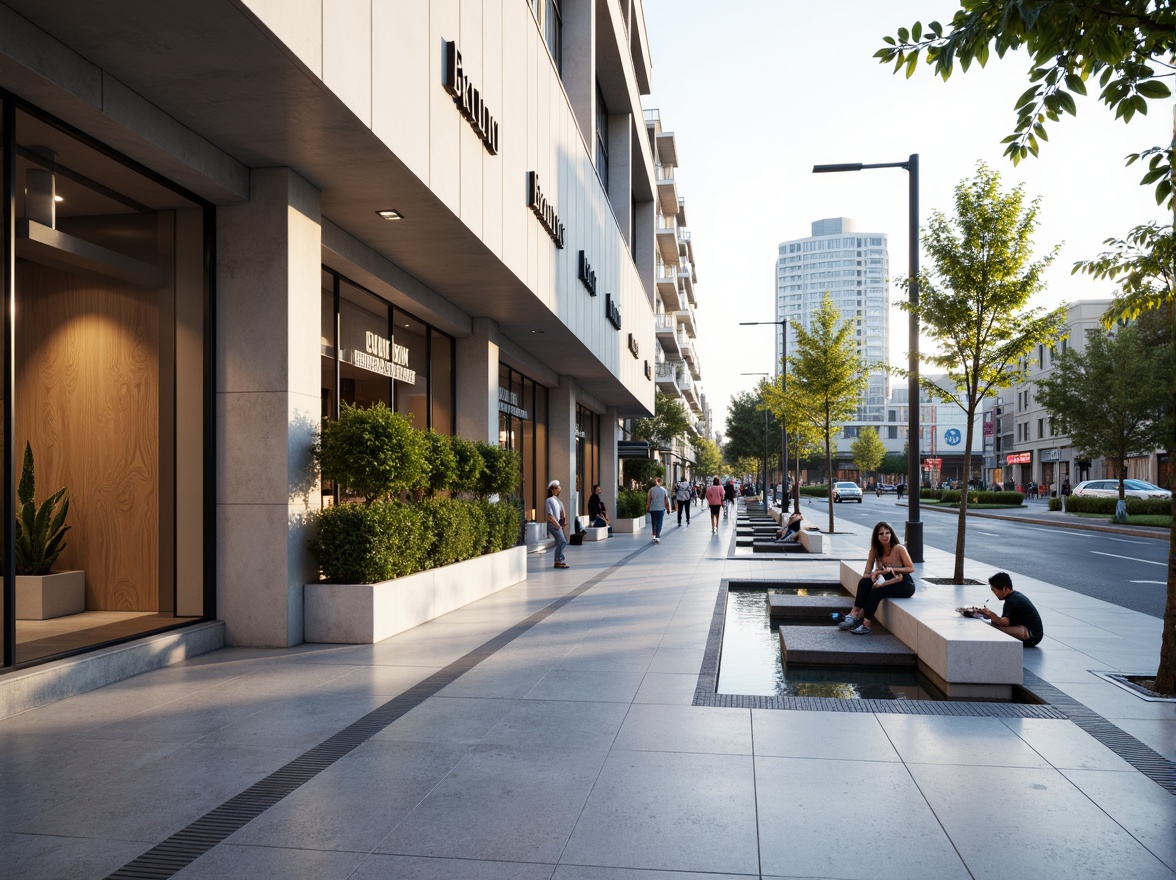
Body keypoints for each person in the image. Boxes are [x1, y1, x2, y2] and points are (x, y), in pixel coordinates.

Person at [838, 521, 916, 634]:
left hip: (904, 583)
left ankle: (866, 625)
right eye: (881, 534)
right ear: (876, 536)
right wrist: (873, 576)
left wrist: (892, 569)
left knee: (876, 592)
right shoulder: (875, 550)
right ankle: (854, 614)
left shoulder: (899, 548)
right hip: (887, 579)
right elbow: (867, 572)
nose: (885, 536)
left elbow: (911, 568)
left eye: (887, 532)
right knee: (864, 582)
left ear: (891, 534)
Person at [979, 572, 1044, 647]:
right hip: (1036, 634)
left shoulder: (1011, 601)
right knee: (994, 624)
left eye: (995, 590)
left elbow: (1004, 623)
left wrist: (991, 614)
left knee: (994, 628)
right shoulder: (1015, 595)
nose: (995, 594)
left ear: (1005, 589)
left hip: (1032, 635)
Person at [545, 480, 569, 569]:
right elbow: (550, 516)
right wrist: (557, 525)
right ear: (552, 490)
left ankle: (558, 561)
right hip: (553, 525)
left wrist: (563, 523)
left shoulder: (557, 501)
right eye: (557, 488)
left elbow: (562, 513)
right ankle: (558, 560)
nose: (559, 489)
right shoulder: (549, 500)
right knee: (562, 542)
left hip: (558, 524)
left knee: (561, 542)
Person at [646, 475, 670, 544]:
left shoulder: (651, 490)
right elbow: (666, 501)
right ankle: (657, 537)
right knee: (659, 523)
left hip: (653, 509)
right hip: (661, 509)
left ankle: (654, 536)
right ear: (661, 482)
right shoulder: (664, 490)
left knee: (654, 523)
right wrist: (668, 509)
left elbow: (649, 500)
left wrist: (647, 507)